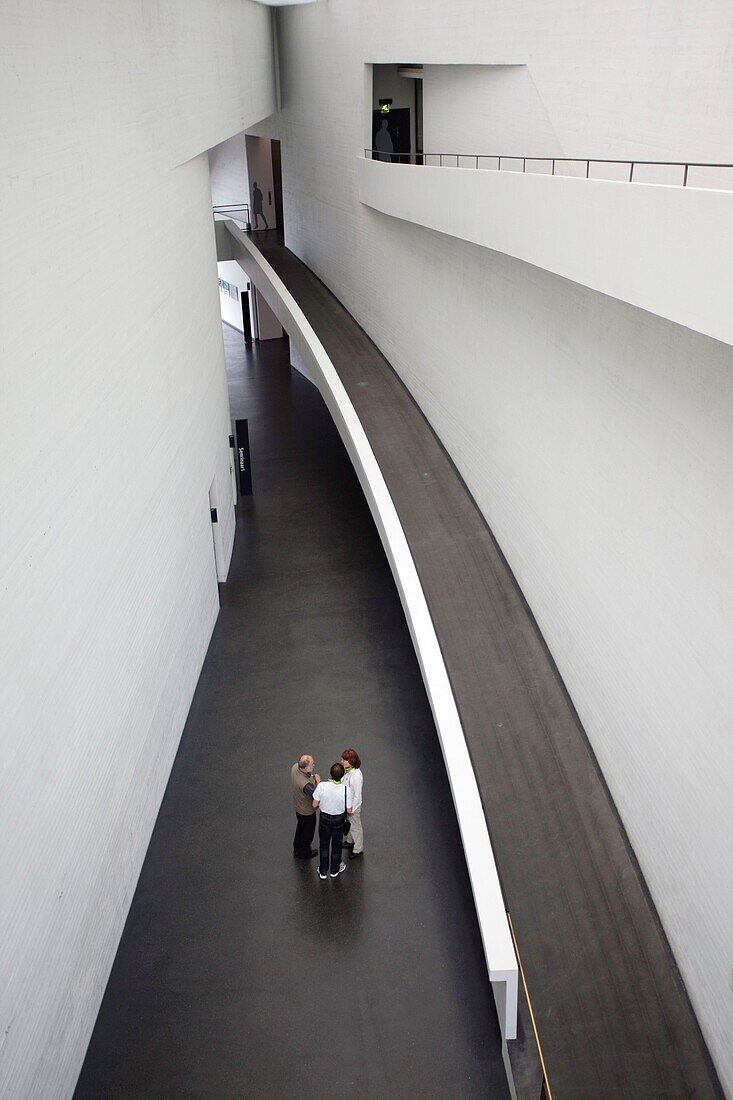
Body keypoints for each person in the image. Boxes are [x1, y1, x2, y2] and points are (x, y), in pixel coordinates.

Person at [312, 762, 353, 879]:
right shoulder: (346, 790)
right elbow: (349, 810)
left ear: (330, 773)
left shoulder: (322, 786)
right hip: (338, 820)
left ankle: (323, 871)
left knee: (324, 844)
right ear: (342, 775)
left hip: (324, 818)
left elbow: (314, 804)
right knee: (336, 845)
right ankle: (334, 870)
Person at [291, 755, 320, 858]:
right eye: (312, 764)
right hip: (307, 811)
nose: (314, 765)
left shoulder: (295, 767)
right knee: (308, 831)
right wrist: (317, 781)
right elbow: (316, 795)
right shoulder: (306, 785)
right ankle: (305, 851)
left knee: (300, 827)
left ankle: (297, 847)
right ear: (305, 768)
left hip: (298, 806)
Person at [340, 748, 363, 859]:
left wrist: (351, 809)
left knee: (355, 826)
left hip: (353, 806)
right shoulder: (347, 771)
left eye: (344, 760)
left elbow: (357, 795)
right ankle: (350, 841)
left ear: (350, 761)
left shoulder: (356, 776)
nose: (341, 761)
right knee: (348, 823)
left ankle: (358, 848)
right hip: (347, 804)